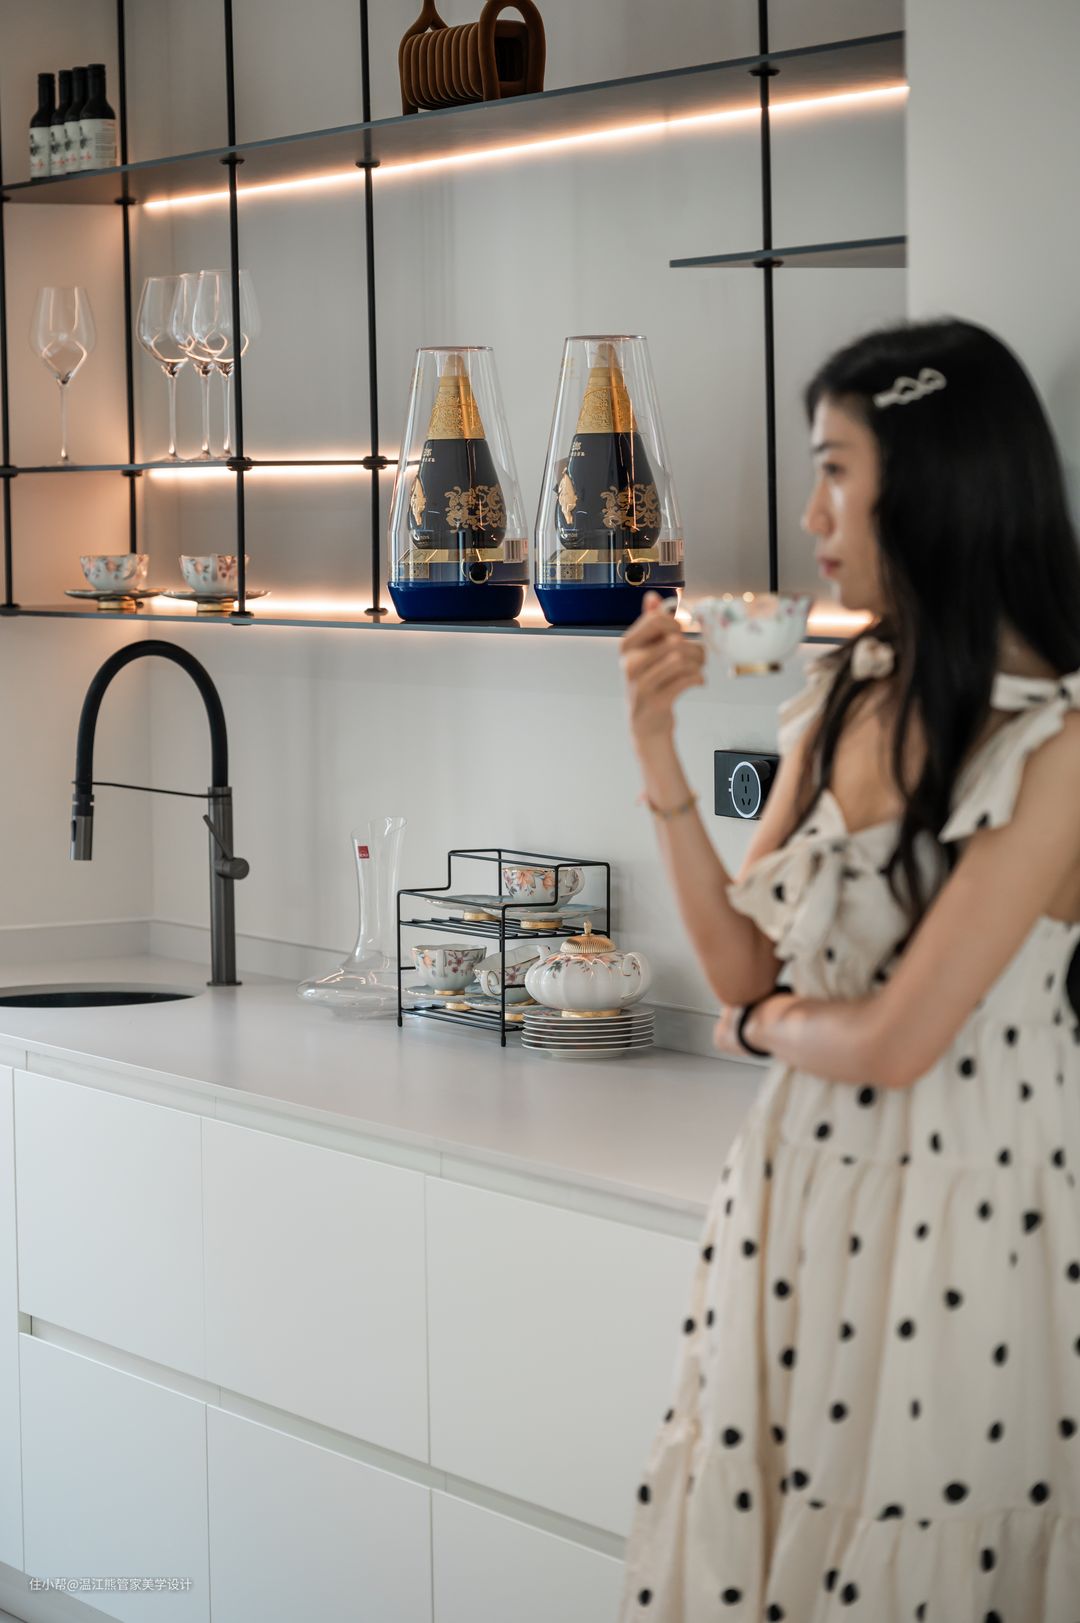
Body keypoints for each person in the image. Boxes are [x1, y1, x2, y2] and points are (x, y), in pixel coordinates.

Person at [614, 317, 1080, 1621]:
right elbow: (741, 965)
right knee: (774, 1533)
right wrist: (657, 751)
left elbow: (894, 1040)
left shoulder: (1057, 749)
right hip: (799, 1189)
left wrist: (762, 1029)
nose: (812, 512)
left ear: (930, 484)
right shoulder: (843, 695)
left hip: (975, 1211)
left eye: (835, 471)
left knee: (923, 1549)